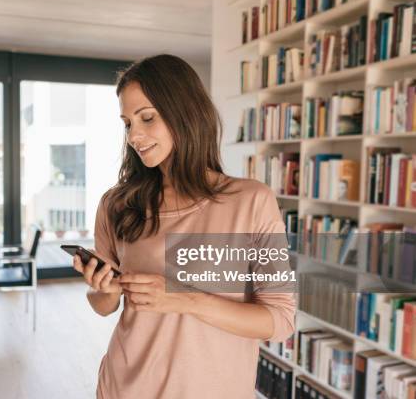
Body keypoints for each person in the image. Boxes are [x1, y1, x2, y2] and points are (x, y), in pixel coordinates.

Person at [72, 54, 296, 398]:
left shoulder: (251, 201)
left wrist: (184, 299)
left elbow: (279, 322)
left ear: (185, 113)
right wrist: (105, 288)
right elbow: (103, 306)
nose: (135, 135)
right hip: (125, 385)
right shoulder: (117, 204)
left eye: (147, 117)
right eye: (127, 122)